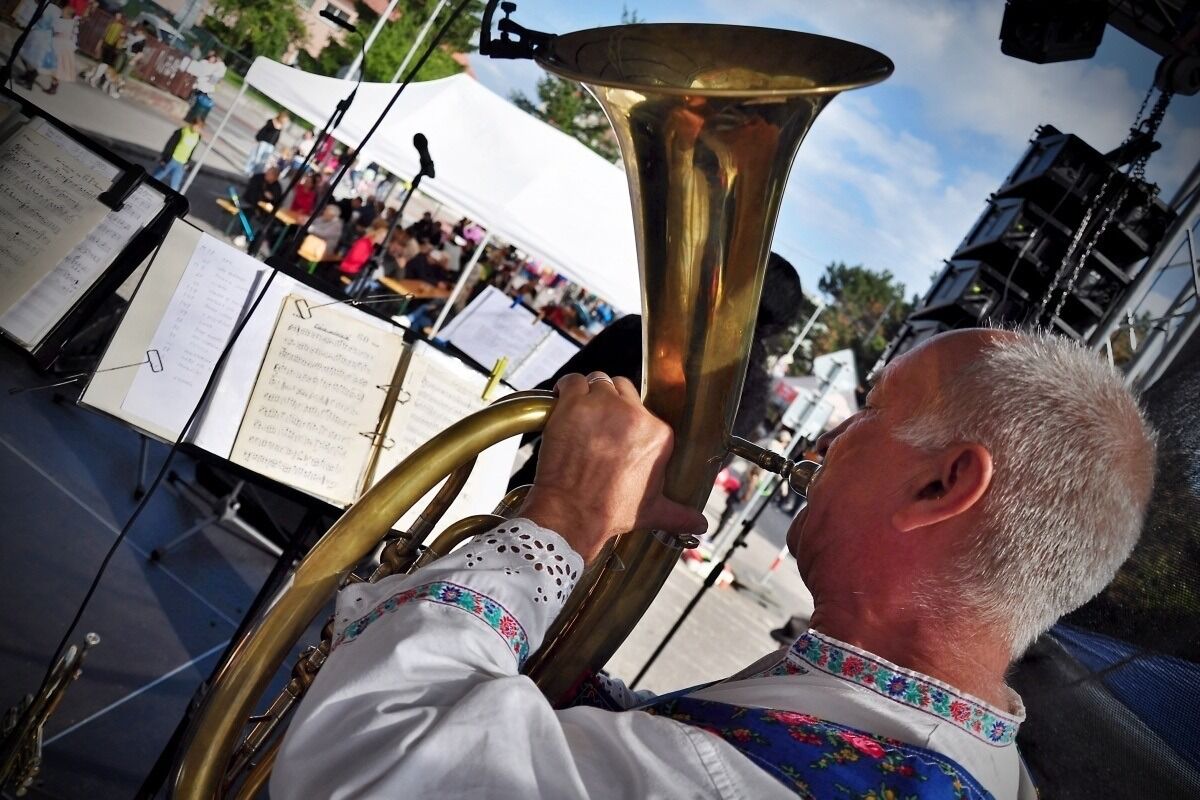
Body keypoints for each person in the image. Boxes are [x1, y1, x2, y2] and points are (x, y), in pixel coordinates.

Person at [272, 328, 1157, 799]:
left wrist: (562, 521)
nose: (824, 437)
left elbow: (362, 764)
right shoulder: (968, 764)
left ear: (941, 484)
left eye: (870, 414)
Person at [14, 3, 59, 93]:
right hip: (37, 34)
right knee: (24, 54)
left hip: (41, 37)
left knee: (32, 58)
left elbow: (53, 25)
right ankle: (28, 75)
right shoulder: (51, 7)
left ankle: (29, 81)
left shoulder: (50, 8)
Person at [151, 118, 203, 191]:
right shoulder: (182, 131)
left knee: (175, 187)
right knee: (156, 178)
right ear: (192, 124)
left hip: (182, 164)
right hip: (171, 159)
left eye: (200, 127)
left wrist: (188, 162)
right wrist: (164, 158)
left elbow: (192, 150)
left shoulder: (198, 136)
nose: (197, 129)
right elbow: (170, 144)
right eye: (196, 126)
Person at [185, 51, 226, 123]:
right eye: (211, 58)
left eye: (214, 58)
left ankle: (194, 118)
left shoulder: (217, 66)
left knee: (200, 102)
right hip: (199, 86)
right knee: (194, 100)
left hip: (206, 89)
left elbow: (216, 78)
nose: (212, 59)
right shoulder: (204, 63)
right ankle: (190, 114)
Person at [51, 6, 80, 88]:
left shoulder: (65, 22)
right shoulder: (72, 23)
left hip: (59, 43)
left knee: (57, 65)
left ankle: (54, 83)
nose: (62, 12)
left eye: (64, 12)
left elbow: (57, 31)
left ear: (68, 15)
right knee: (59, 65)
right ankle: (54, 84)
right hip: (65, 44)